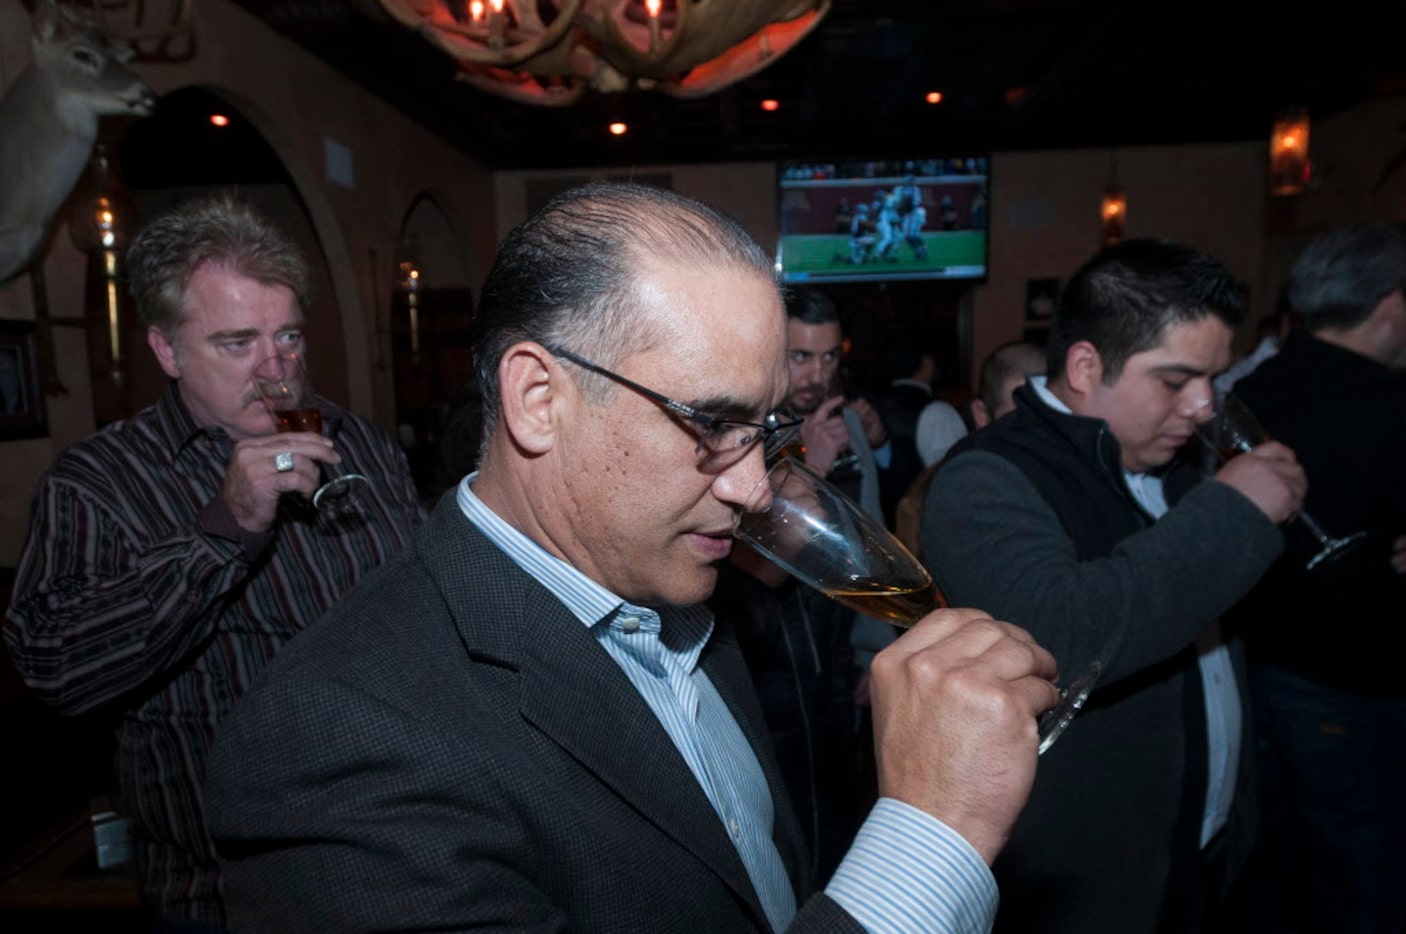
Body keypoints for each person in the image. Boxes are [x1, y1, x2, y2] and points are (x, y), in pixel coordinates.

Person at [203, 182, 1061, 933]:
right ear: (539, 399)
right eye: (711, 424)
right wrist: (926, 836)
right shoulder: (336, 741)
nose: (758, 489)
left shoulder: (689, 597)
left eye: (765, 432)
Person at [2, 194, 427, 929]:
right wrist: (223, 530)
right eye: (237, 344)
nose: (277, 370)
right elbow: (54, 669)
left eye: (289, 336)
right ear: (167, 350)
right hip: (226, 887)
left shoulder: (358, 443)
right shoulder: (98, 483)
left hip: (398, 851)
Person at [923, 238, 1307, 933]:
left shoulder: (1179, 463)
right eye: (1176, 380)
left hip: (1199, 850)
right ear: (1084, 365)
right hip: (1087, 885)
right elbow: (1059, 638)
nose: (1202, 406)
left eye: (1212, 380)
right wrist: (1237, 511)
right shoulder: (985, 477)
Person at [1227, 223, 1406, 933]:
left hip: (1258, 670)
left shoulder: (1251, 390)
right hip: (1359, 682)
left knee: (1272, 863)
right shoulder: (1389, 407)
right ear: (1391, 306)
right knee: (1364, 876)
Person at [895, 340, 1042, 561]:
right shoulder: (936, 498)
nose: (1035, 435)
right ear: (982, 414)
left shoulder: (1066, 478)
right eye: (1018, 421)